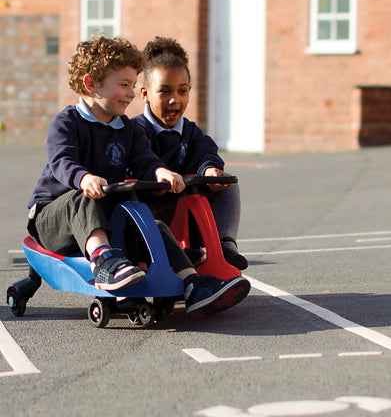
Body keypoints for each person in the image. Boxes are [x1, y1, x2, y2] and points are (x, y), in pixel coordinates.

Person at [27, 36, 250, 319]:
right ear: (91, 84)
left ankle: (194, 283)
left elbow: (145, 161)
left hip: (102, 220)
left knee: (153, 226)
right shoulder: (67, 123)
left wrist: (161, 172)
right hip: (55, 219)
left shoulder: (129, 129)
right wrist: (84, 178)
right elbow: (62, 161)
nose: (131, 93)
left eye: (132, 85)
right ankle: (104, 262)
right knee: (81, 199)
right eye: (124, 85)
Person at [133, 36, 248, 270]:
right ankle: (182, 257)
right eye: (164, 92)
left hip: (185, 212)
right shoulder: (135, 131)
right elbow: (140, 160)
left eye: (182, 91)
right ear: (145, 94)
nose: (175, 99)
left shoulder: (190, 131)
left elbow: (206, 152)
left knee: (227, 183)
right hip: (150, 214)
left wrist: (210, 170)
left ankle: (224, 245)